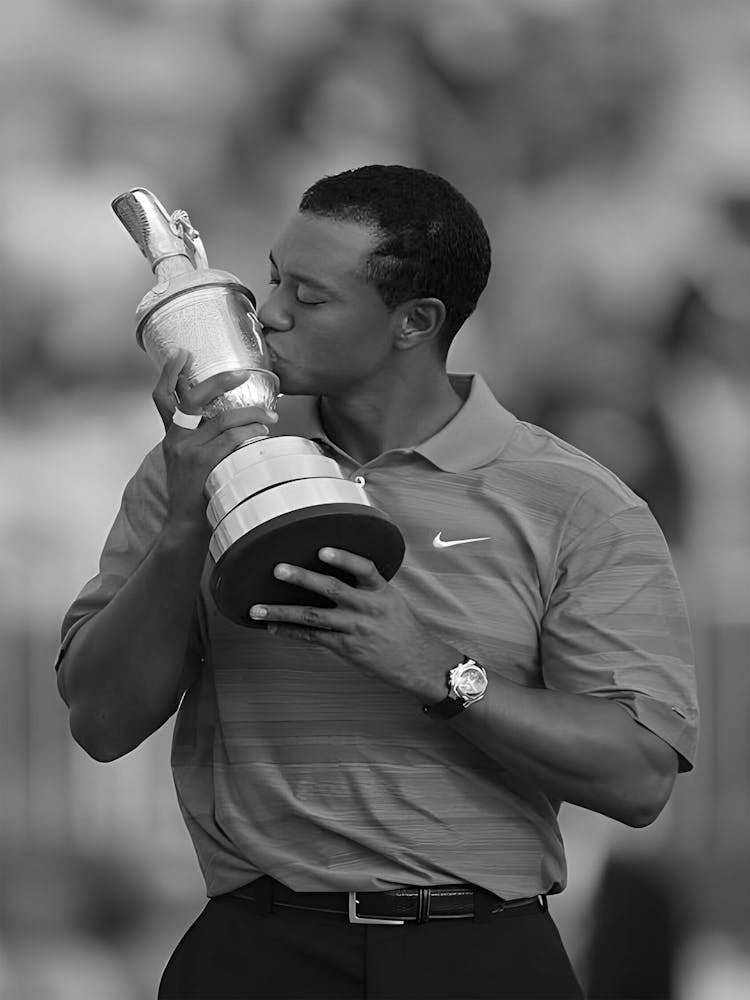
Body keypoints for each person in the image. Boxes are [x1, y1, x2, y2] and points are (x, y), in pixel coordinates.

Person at [55, 165, 698, 1000]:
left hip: (482, 957)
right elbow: (100, 722)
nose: (270, 312)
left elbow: (640, 777)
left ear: (415, 322)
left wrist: (434, 670)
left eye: (310, 296)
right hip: (255, 953)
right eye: (275, 277)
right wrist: (185, 523)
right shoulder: (197, 462)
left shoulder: (578, 502)